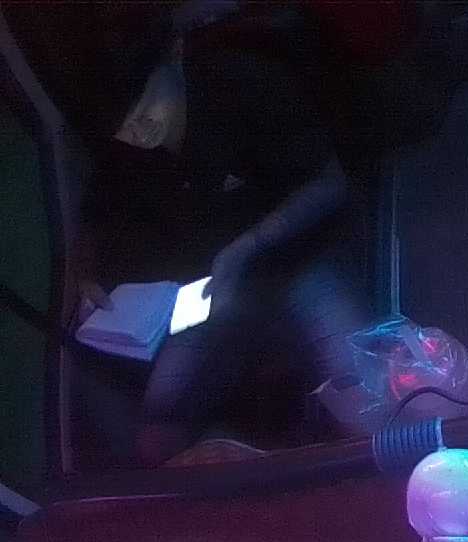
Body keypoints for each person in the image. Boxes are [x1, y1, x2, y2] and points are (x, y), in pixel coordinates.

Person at [76, 11, 369, 464]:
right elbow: (100, 214)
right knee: (158, 419)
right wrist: (87, 278)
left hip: (298, 262)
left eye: (146, 107)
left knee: (365, 392)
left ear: (174, 57)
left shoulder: (244, 83)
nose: (140, 129)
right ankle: (236, 450)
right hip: (205, 293)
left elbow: (330, 183)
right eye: (124, 125)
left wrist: (249, 245)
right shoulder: (124, 145)